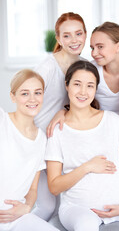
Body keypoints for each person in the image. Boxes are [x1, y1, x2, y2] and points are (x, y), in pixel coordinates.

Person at [45, 60, 119, 231]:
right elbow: (54, 187)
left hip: (118, 203)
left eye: (90, 86)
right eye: (77, 84)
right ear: (67, 85)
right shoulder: (57, 129)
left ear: (96, 89)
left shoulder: (112, 120)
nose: (83, 91)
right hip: (79, 208)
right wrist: (87, 167)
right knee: (87, 226)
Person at [47, 21, 119, 136]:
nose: (94, 53)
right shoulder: (93, 70)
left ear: (118, 47)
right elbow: (76, 97)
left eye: (100, 47)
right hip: (102, 129)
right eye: (92, 48)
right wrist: (62, 112)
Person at [32, 12, 87, 221]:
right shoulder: (47, 67)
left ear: (85, 34)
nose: (74, 40)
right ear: (58, 39)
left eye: (78, 33)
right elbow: (26, 99)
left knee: (62, 207)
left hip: (65, 143)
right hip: (42, 142)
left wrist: (64, 110)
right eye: (67, 36)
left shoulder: (83, 65)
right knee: (46, 206)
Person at [0, 69, 59, 231]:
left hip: (15, 218)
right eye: (25, 93)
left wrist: (27, 207)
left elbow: (33, 189)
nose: (32, 99)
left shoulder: (41, 139)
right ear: (13, 97)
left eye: (37, 93)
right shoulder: (3, 121)